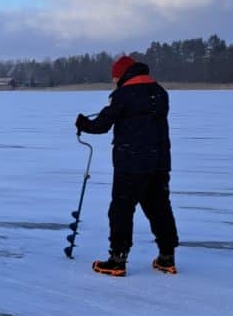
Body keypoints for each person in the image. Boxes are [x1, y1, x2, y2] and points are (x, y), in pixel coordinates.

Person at [75, 55, 179, 276]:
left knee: (121, 209)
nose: (113, 81)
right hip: (160, 162)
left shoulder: (123, 95)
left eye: (115, 77)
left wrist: (83, 124)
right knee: (159, 208)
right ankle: (167, 257)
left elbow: (102, 125)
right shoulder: (160, 92)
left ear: (122, 75)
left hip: (131, 163)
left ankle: (117, 260)